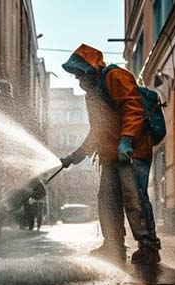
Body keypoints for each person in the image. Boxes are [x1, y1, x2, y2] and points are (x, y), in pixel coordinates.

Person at [60, 44, 161, 264]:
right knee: (107, 201)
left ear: (91, 69)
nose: (79, 80)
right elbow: (97, 131)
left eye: (80, 74)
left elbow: (133, 108)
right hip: (111, 156)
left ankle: (149, 247)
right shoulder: (92, 96)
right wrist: (75, 156)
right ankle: (113, 246)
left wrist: (126, 140)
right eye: (76, 76)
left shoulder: (114, 76)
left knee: (134, 198)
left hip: (132, 151)